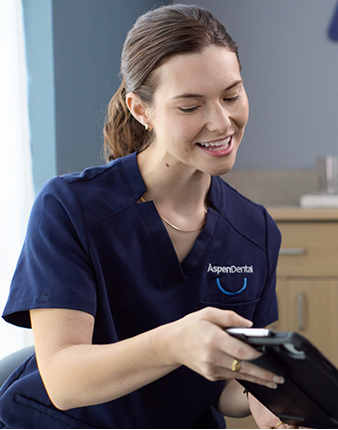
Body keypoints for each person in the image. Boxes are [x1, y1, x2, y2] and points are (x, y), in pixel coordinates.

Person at [0, 4, 293, 429]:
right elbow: (63, 381)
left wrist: (261, 397)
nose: (221, 121)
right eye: (190, 107)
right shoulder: (70, 208)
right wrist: (175, 343)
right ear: (141, 110)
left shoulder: (255, 229)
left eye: (231, 95)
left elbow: (229, 380)